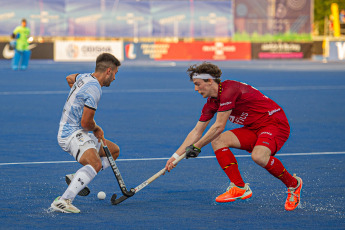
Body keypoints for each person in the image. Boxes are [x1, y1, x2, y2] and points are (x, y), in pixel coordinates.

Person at [165, 62, 303, 211]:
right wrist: (175, 156)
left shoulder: (229, 89)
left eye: (198, 84)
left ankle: (293, 184)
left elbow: (218, 126)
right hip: (252, 128)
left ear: (210, 81)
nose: (195, 89)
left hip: (274, 123)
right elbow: (197, 131)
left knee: (259, 156)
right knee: (218, 140)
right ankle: (239, 187)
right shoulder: (211, 103)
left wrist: (197, 147)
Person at [50, 53, 121, 213]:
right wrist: (97, 129)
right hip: (71, 134)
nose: (115, 78)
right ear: (109, 71)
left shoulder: (85, 77)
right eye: (115, 73)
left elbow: (69, 78)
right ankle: (64, 200)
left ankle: (77, 177)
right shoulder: (94, 89)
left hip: (79, 132)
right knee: (95, 164)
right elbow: (86, 123)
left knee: (113, 152)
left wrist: (77, 97)